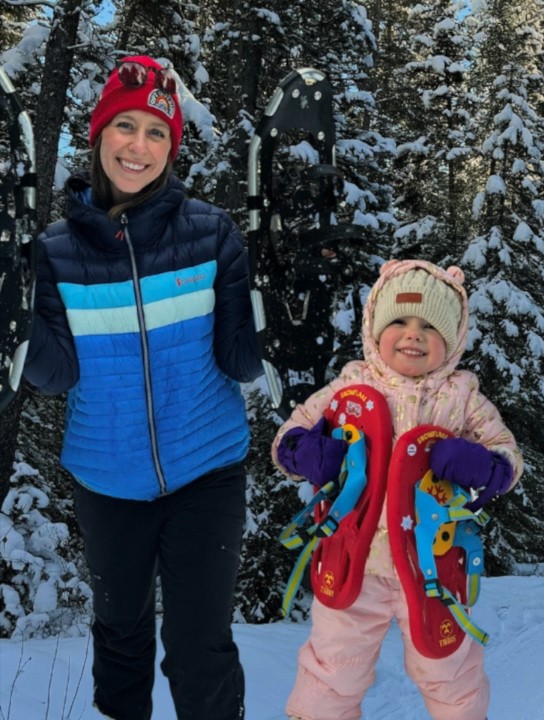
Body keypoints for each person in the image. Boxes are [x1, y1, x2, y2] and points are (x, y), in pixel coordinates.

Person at [23, 55, 262, 719]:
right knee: (121, 639)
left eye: (157, 132)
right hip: (106, 478)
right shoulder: (55, 251)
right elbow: (53, 374)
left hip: (206, 471)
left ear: (172, 147)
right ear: (99, 136)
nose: (139, 145)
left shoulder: (210, 235)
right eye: (125, 127)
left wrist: (274, 300)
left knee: (199, 646)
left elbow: (242, 362)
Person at [273, 259, 522, 720]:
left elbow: (507, 458)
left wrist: (480, 465)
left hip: (432, 564)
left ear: (451, 340)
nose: (413, 334)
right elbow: (292, 432)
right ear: (374, 328)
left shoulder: (463, 396)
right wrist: (305, 452)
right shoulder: (350, 386)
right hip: (352, 557)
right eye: (400, 322)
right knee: (334, 670)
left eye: (430, 325)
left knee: (448, 668)